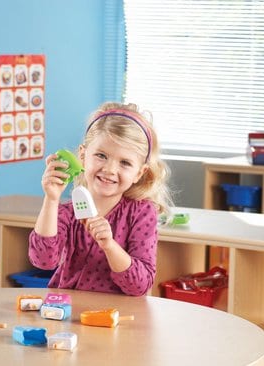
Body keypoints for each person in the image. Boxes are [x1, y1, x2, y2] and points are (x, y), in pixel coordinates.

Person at [29, 102, 172, 296]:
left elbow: (140, 286)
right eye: (101, 155)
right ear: (83, 155)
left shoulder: (142, 213)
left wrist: (109, 246)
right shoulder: (67, 212)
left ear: (139, 172)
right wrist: (51, 199)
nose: (110, 169)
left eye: (125, 163)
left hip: (119, 318)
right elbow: (43, 261)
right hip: (69, 312)